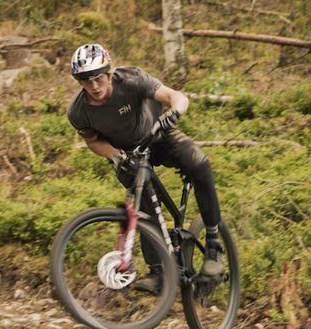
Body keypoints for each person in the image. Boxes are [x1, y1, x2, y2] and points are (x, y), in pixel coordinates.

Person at [66, 43, 224, 292]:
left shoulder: (131, 79)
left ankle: (214, 246)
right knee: (142, 207)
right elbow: (93, 141)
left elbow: (176, 97)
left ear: (108, 73)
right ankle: (159, 273)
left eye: (98, 78)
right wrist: (117, 157)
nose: (94, 86)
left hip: (158, 138)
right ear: (79, 82)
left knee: (198, 162)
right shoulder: (78, 111)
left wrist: (174, 112)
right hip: (126, 156)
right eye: (86, 81)